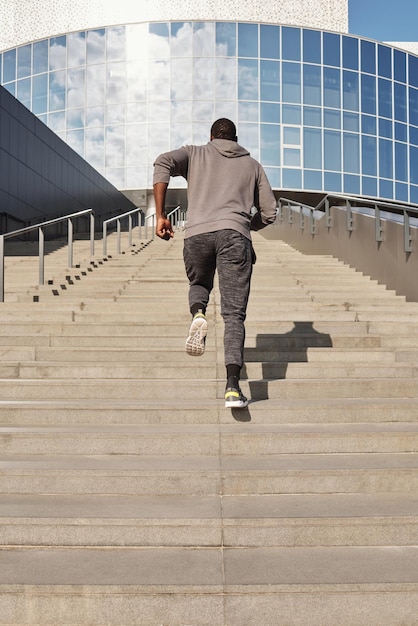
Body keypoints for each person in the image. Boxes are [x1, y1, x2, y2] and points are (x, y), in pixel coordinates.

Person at [153, 118, 277, 408]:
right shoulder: (253, 165)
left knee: (199, 282)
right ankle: (233, 387)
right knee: (234, 316)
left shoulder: (195, 153)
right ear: (236, 138)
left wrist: (160, 215)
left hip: (197, 233)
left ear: (212, 137)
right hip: (234, 235)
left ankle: (198, 313)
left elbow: (162, 162)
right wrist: (244, 225)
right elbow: (270, 212)